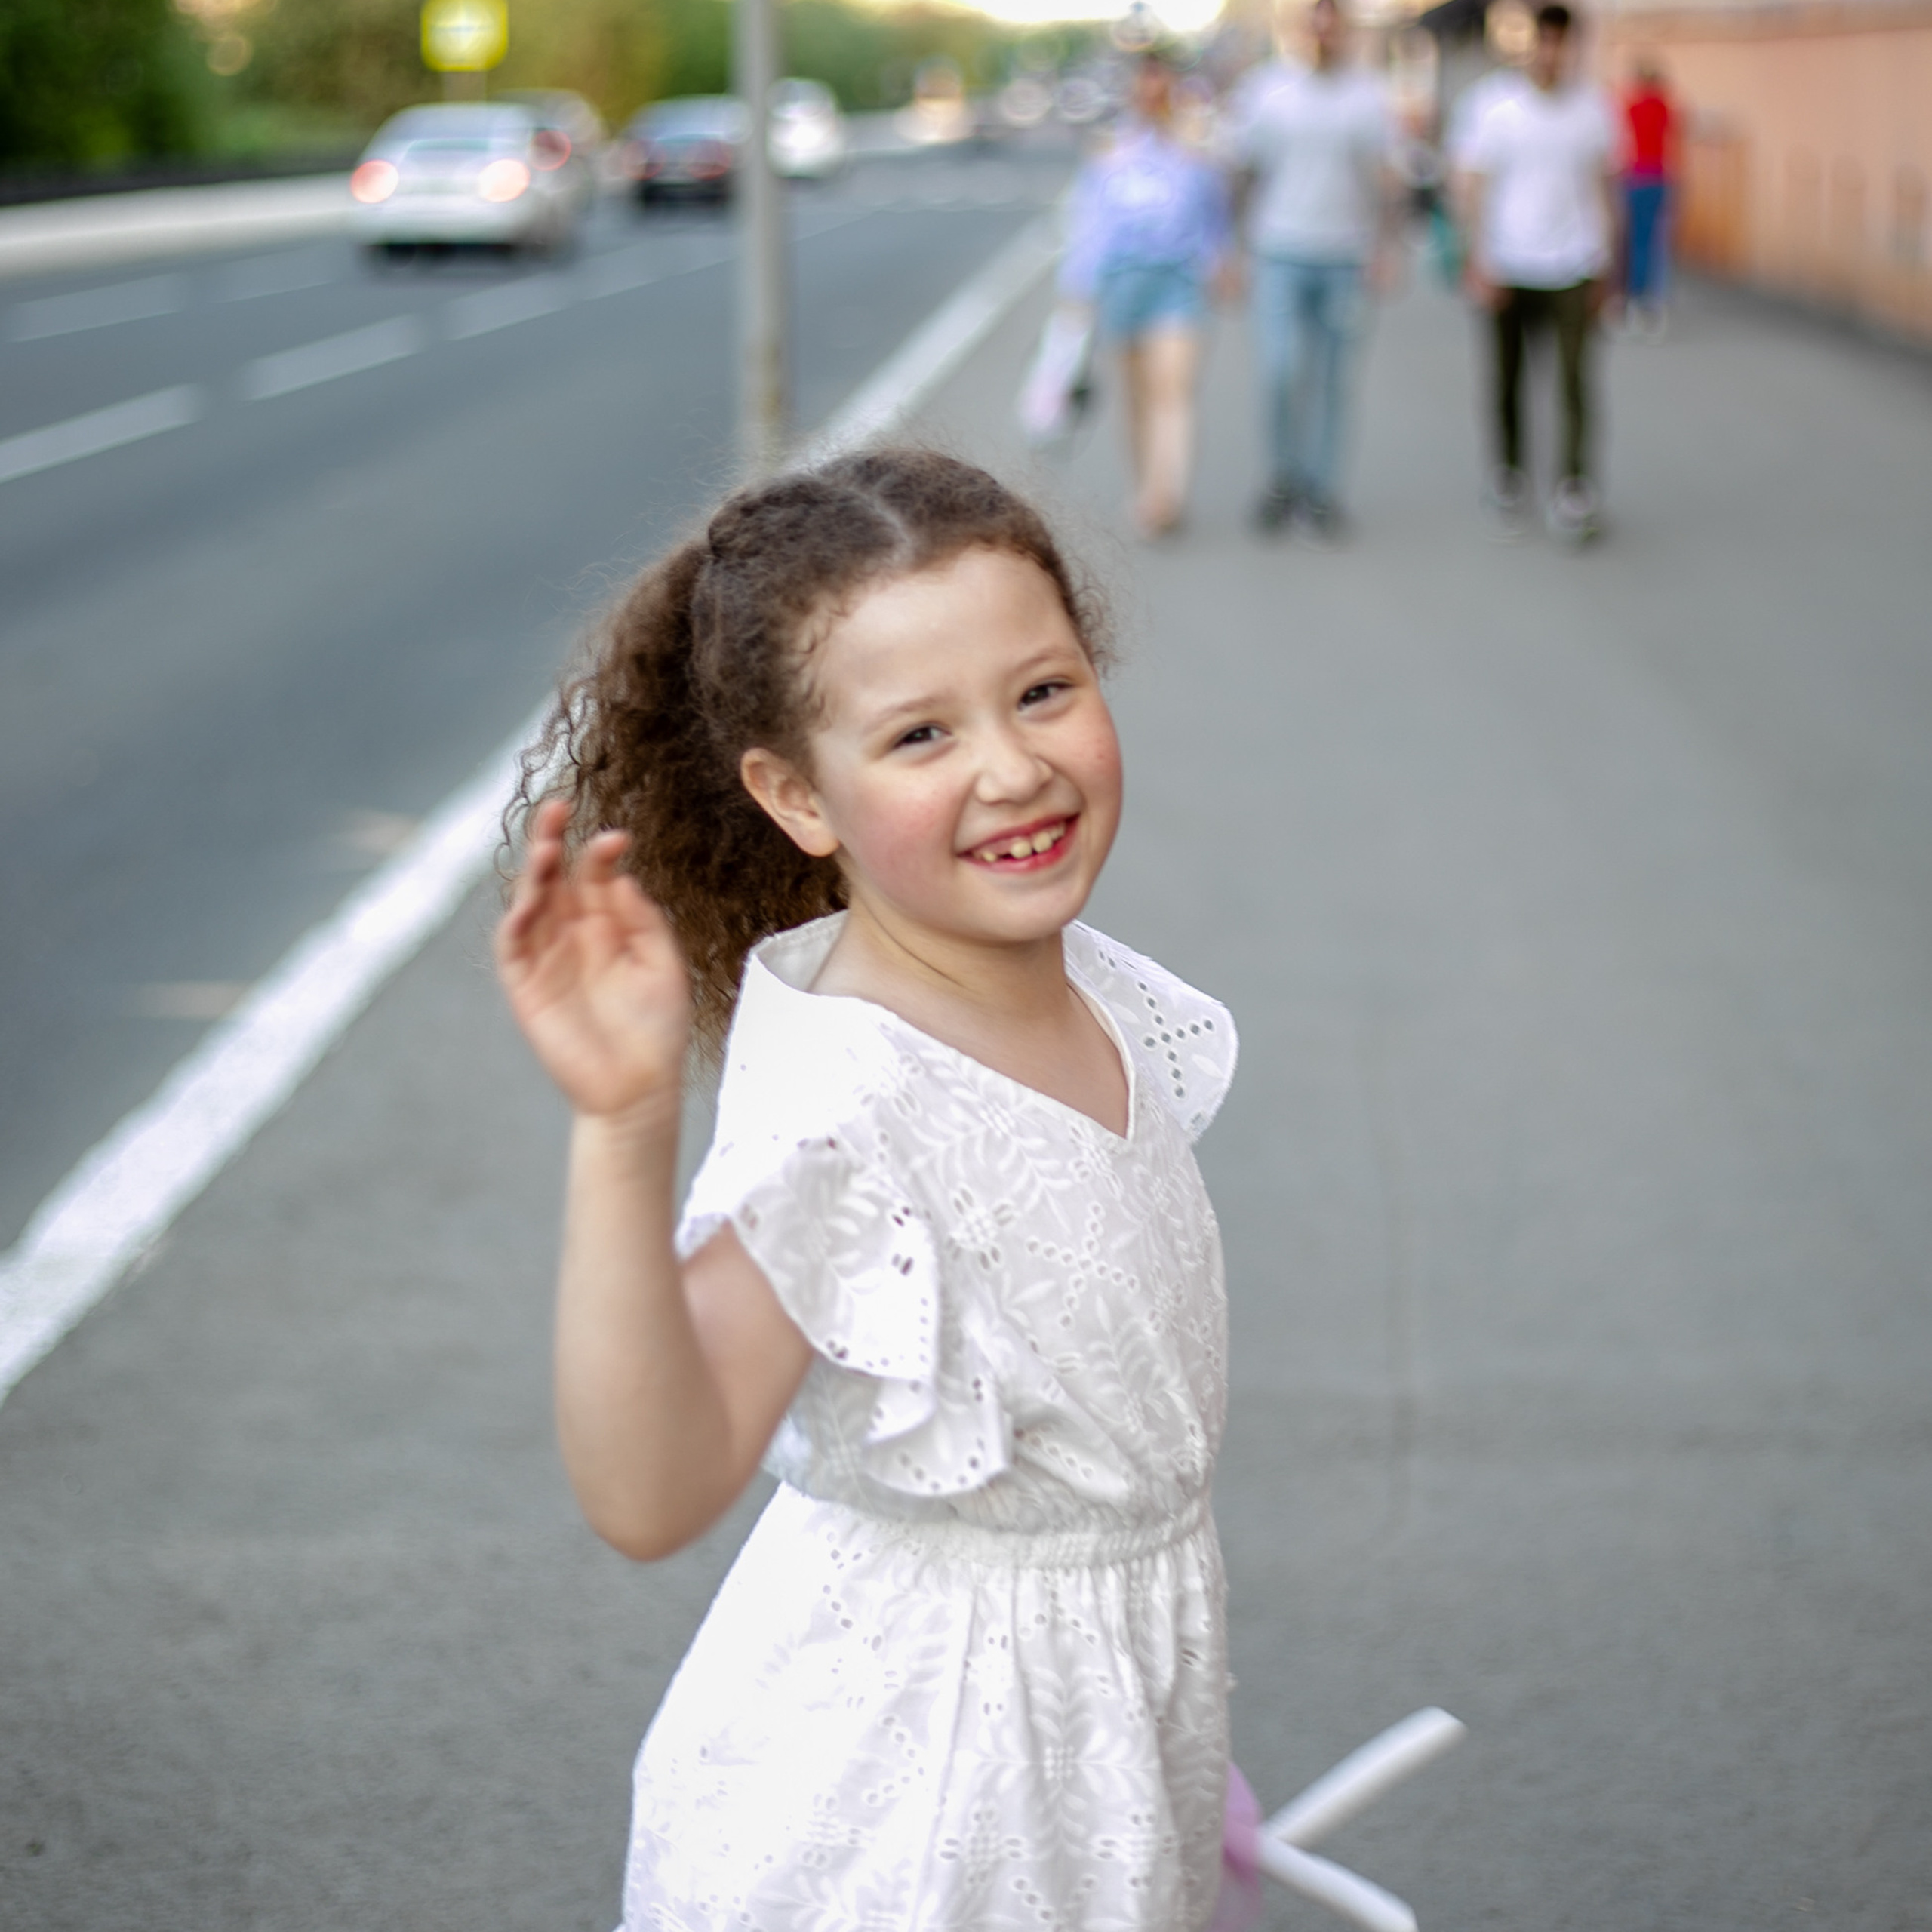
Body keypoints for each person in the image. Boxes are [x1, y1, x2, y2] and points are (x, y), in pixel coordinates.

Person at [497, 449, 1246, 1932]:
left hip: (1079, 1747)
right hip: (922, 1814)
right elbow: (649, 1489)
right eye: (918, 733)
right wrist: (625, 1121)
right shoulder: (853, 1108)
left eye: (1041, 690)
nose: (1012, 766)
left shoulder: (1089, 988)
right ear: (795, 795)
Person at [1224, 0, 1400, 542]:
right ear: (1303, 31)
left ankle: (1322, 491)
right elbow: (1242, 172)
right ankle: (1283, 478)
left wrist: (1387, 245)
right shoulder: (1267, 91)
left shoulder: (1367, 95)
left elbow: (1385, 176)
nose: (1325, 35)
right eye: (1316, 25)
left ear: (1344, 32)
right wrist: (1232, 248)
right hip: (1280, 251)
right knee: (1280, 370)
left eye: (1334, 26)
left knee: (1332, 378)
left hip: (1344, 257)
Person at [1454, 2, 1620, 543]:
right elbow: (1471, 184)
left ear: (1572, 47)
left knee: (1574, 378)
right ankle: (1509, 472)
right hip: (1508, 262)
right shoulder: (1493, 106)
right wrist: (1477, 257)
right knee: (1507, 377)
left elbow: (1604, 187)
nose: (1551, 54)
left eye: (1560, 43)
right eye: (1542, 42)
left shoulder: (1593, 109)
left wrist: (1609, 265)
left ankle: (1574, 484)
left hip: (1575, 263)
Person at [1061, 53, 1232, 537]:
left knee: (1172, 391)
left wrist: (1223, 261)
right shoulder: (1109, 152)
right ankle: (1145, 485)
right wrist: (1078, 289)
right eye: (1145, 87)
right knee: (1136, 396)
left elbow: (1215, 217)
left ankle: (1166, 495)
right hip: (1123, 284)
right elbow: (1089, 224)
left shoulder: (1196, 152)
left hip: (1177, 284)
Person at [1621, 57, 1677, 335]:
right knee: (1656, 244)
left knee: (1635, 242)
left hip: (1636, 177)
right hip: (1660, 178)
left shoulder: (1630, 107)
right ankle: (1654, 302)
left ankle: (1635, 300)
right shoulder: (1664, 106)